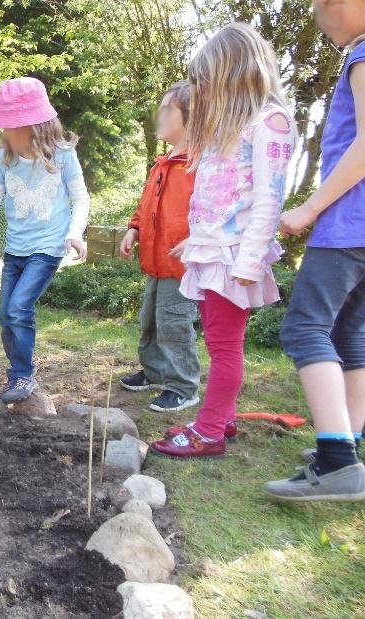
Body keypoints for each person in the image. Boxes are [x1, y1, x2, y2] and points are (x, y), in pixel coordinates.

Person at [149, 23, 296, 459]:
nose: (202, 93)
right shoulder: (228, 128)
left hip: (234, 259)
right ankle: (221, 417)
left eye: (207, 82)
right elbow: (215, 197)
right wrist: (194, 240)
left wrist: (249, 263)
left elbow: (269, 200)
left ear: (236, 74)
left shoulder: (270, 122)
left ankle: (209, 432)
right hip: (212, 251)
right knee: (217, 341)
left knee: (224, 345)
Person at [264, 0, 365, 501]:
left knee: (305, 326)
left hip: (350, 225)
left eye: (327, 6)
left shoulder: (363, 53)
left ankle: (337, 461)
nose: (322, 18)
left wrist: (309, 209)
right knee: (351, 333)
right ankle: (350, 440)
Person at [0, 77, 90, 403]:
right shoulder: (1, 159)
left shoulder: (62, 155)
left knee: (19, 309)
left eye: (10, 126)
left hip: (48, 247)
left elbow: (81, 197)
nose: (4, 132)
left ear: (33, 125)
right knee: (5, 314)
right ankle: (19, 371)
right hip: (15, 249)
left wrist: (74, 234)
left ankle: (22, 376)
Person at [119, 81, 202, 414]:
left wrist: (197, 239)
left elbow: (212, 210)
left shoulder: (199, 164)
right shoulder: (163, 163)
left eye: (169, 109)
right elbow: (147, 205)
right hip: (155, 260)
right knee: (150, 319)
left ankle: (183, 385)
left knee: (174, 323)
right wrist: (133, 228)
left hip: (182, 264)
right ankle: (154, 372)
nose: (161, 115)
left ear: (191, 118)